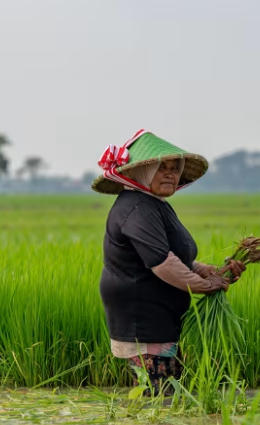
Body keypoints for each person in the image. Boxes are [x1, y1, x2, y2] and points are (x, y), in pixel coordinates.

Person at [93, 129, 246, 395]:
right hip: (142, 318)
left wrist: (213, 272)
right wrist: (207, 285)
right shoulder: (137, 207)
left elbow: (177, 258)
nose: (170, 173)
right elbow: (162, 263)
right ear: (139, 172)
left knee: (165, 394)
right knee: (158, 396)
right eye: (161, 167)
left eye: (175, 168)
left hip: (158, 316)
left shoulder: (154, 204)